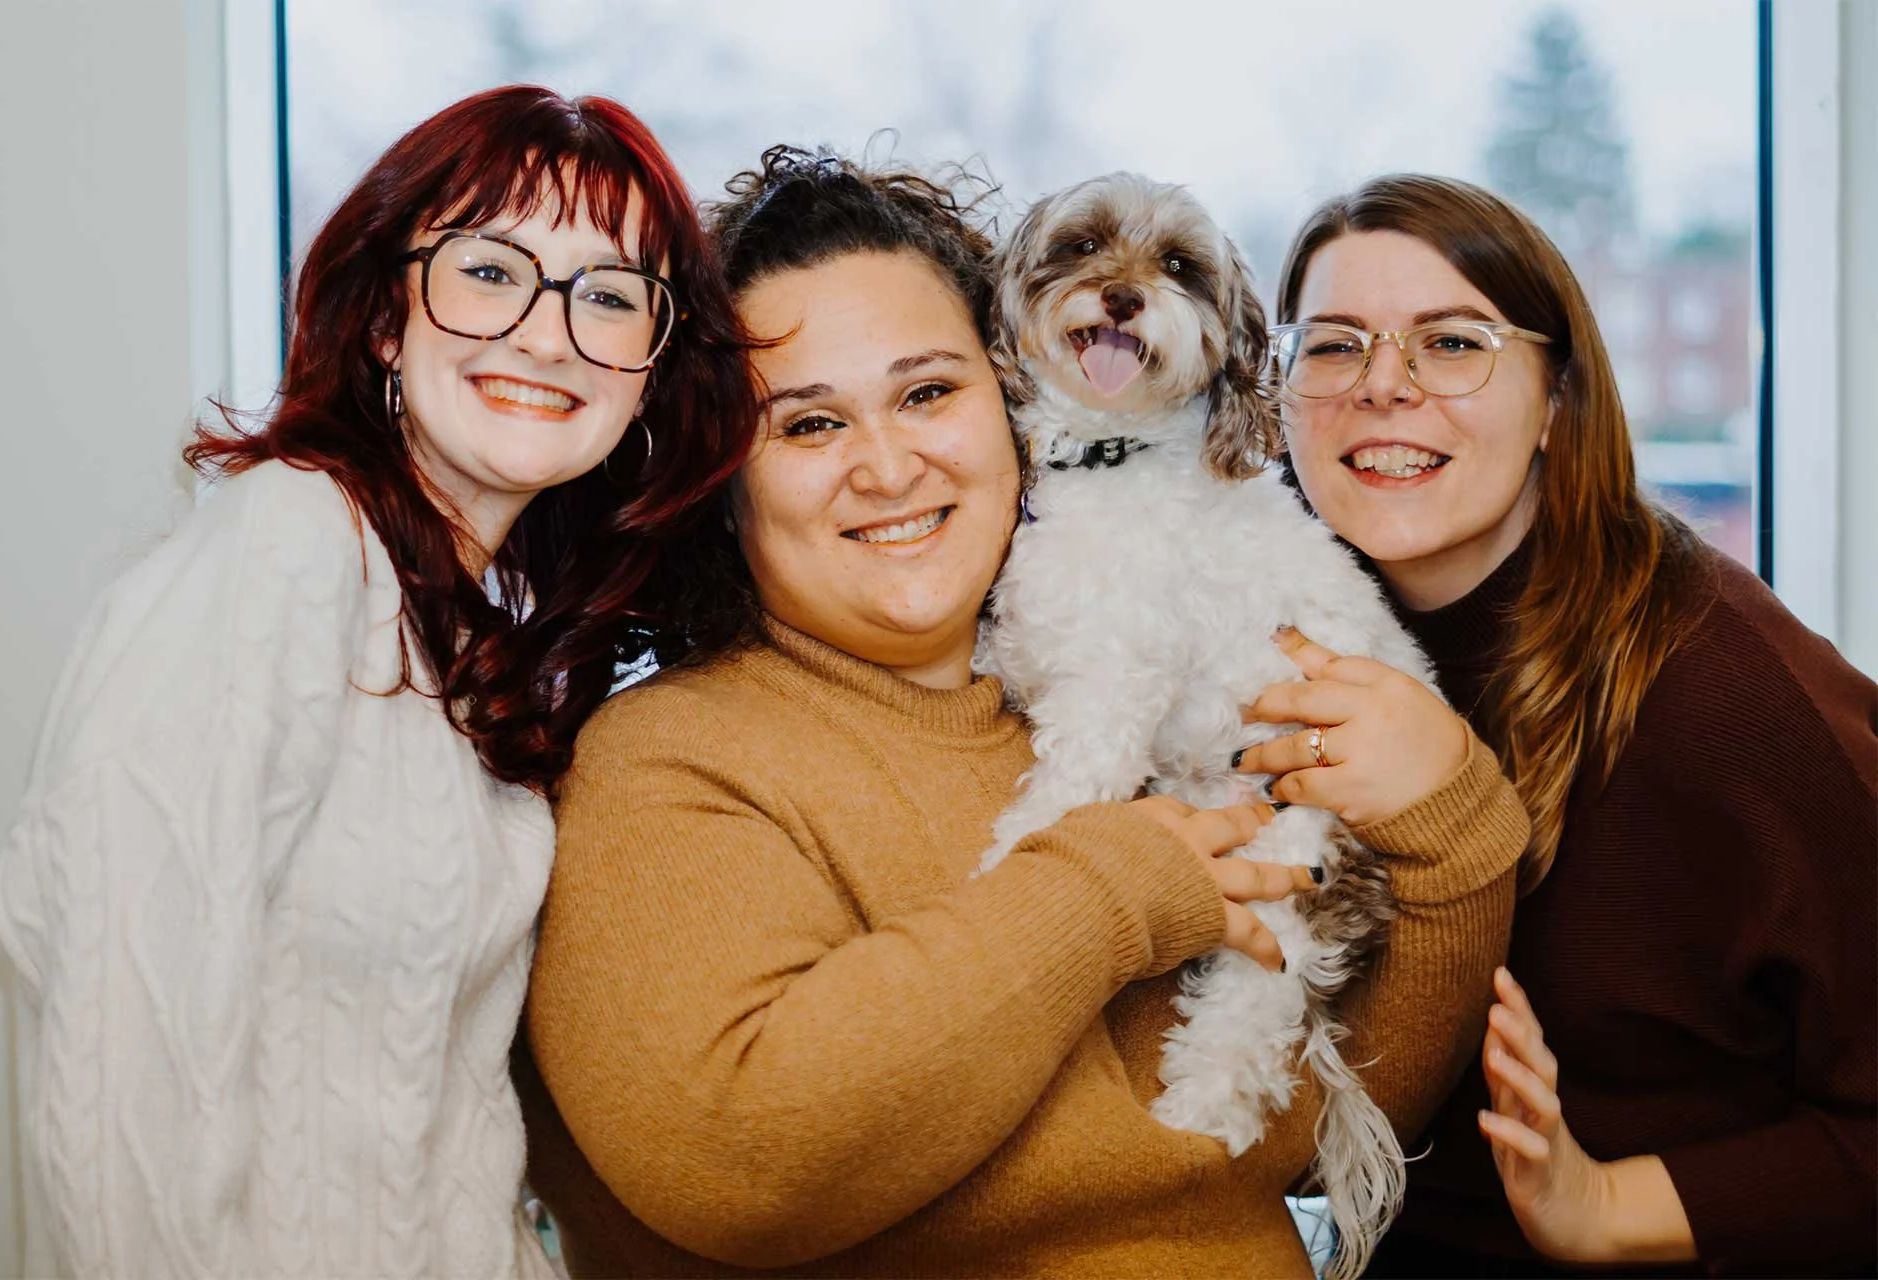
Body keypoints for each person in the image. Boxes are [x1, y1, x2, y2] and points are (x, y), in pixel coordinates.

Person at [515, 146, 1530, 1277]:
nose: (888, 464)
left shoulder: (1136, 696)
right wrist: (1107, 886)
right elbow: (743, 1162)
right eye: (808, 425)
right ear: (722, 474)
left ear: (1013, 396)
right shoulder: (667, 764)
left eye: (928, 393)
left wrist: (1450, 827)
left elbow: (1313, 1122)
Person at [0, 86, 754, 1279]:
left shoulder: (466, 637)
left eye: (607, 295)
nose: (548, 336)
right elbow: (113, 1070)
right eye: (491, 271)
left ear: (650, 371)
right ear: (387, 316)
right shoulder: (287, 545)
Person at [1251, 173, 1876, 1275]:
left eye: (1451, 344)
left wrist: (1604, 1206)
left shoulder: (1723, 687)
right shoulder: (1269, 647)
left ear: (1555, 400)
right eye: (1335, 345)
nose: (1383, 386)